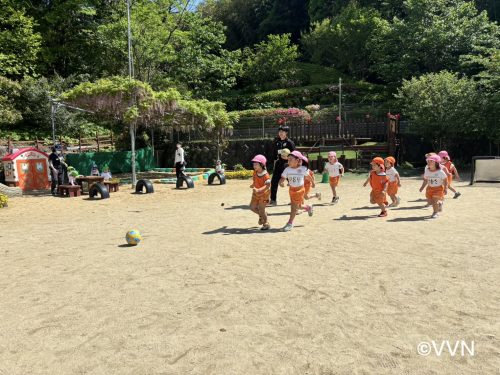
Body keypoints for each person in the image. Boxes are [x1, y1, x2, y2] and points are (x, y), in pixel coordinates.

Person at [279, 150, 313, 232]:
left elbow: (308, 177)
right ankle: (308, 208)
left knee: (293, 208)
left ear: (297, 161)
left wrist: (313, 182)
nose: (289, 161)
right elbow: (282, 178)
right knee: (297, 206)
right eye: (288, 159)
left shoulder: (303, 169)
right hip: (291, 190)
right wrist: (281, 182)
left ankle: (290, 223)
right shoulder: (287, 169)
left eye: (291, 159)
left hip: (300, 190)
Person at [270, 126, 295, 205]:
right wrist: (274, 162)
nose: (280, 133)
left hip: (287, 165)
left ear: (286, 133)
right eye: (279, 131)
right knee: (274, 182)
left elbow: (294, 154)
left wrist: (288, 158)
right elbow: (274, 153)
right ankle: (273, 200)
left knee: (291, 182)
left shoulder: (289, 142)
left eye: (282, 131)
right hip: (278, 164)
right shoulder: (276, 142)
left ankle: (294, 199)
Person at [420, 154, 448, 219]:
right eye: (428, 161)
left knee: (435, 201)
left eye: (431, 161)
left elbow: (445, 180)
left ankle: (435, 213)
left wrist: (446, 188)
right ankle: (440, 204)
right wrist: (422, 187)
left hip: (438, 189)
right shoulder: (427, 171)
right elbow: (425, 180)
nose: (429, 162)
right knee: (430, 202)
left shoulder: (440, 172)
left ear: (436, 163)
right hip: (429, 189)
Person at [249, 155, 271, 230]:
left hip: (264, 195)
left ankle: (266, 224)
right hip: (256, 194)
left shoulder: (266, 175)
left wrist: (259, 190)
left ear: (262, 165)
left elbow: (267, 186)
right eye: (253, 164)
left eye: (256, 164)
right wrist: (253, 184)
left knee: (262, 209)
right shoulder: (255, 172)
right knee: (252, 207)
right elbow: (255, 179)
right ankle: (262, 215)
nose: (254, 166)